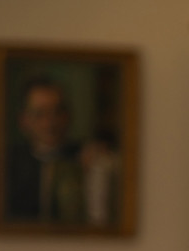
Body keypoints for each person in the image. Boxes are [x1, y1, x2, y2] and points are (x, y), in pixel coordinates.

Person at [6, 76, 117, 225]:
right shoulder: (9, 164)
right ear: (24, 120)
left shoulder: (85, 155)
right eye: (40, 114)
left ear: (68, 115)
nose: (50, 122)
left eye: (57, 111)